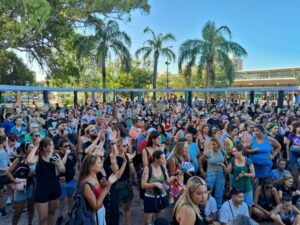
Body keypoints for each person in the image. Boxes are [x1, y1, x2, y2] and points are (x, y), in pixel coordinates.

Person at [27, 137, 65, 225]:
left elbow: (63, 170)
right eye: (50, 145)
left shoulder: (55, 156)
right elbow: (29, 161)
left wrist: (58, 164)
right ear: (44, 148)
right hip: (42, 189)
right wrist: (36, 146)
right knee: (43, 218)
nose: (52, 146)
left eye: (52, 144)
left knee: (52, 212)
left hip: (54, 187)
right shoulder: (38, 157)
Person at [77, 154, 117, 225]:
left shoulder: (94, 176)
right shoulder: (86, 184)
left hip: (100, 214)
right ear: (91, 167)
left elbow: (97, 194)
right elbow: (95, 206)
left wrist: (102, 185)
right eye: (99, 163)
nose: (102, 164)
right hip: (94, 217)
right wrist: (107, 187)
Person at [141, 150, 175, 225]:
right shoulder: (148, 168)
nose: (164, 160)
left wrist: (175, 175)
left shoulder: (163, 167)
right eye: (162, 159)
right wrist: (154, 184)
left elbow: (167, 182)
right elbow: (143, 185)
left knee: (160, 219)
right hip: (150, 197)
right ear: (156, 159)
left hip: (162, 196)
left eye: (164, 158)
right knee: (147, 221)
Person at [7, 142, 35, 225]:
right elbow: (8, 172)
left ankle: (30, 223)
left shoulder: (35, 159)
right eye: (31, 147)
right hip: (20, 187)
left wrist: (34, 173)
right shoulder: (19, 159)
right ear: (25, 150)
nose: (33, 149)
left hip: (31, 186)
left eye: (33, 147)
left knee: (31, 208)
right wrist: (14, 181)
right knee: (18, 212)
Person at [199, 138, 226, 209]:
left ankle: (218, 210)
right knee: (207, 193)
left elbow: (225, 161)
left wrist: (226, 172)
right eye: (211, 144)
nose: (212, 146)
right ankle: (206, 209)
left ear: (218, 144)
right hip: (211, 174)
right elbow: (200, 160)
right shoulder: (208, 152)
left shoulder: (222, 151)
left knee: (219, 194)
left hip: (220, 174)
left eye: (214, 144)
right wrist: (202, 170)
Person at [226, 144, 255, 208]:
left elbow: (253, 174)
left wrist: (246, 174)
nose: (233, 153)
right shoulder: (233, 160)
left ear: (241, 151)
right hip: (236, 188)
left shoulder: (248, 161)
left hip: (246, 187)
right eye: (232, 151)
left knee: (248, 206)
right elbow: (227, 172)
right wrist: (224, 166)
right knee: (236, 206)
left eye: (235, 151)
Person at [56, 138, 77, 225]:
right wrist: (66, 155)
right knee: (61, 199)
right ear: (60, 148)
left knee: (70, 196)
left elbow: (75, 164)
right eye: (65, 146)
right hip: (61, 182)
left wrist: (75, 173)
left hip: (71, 180)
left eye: (68, 145)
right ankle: (60, 215)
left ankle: (70, 211)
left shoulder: (71, 154)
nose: (68, 147)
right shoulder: (57, 155)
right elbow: (60, 167)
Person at [0, 136, 9, 217]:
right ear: (3, 143)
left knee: (13, 187)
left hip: (6, 174)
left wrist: (12, 165)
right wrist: (6, 169)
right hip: (0, 176)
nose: (7, 142)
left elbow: (7, 159)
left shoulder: (4, 150)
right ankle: (2, 209)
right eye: (6, 141)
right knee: (1, 194)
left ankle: (15, 204)